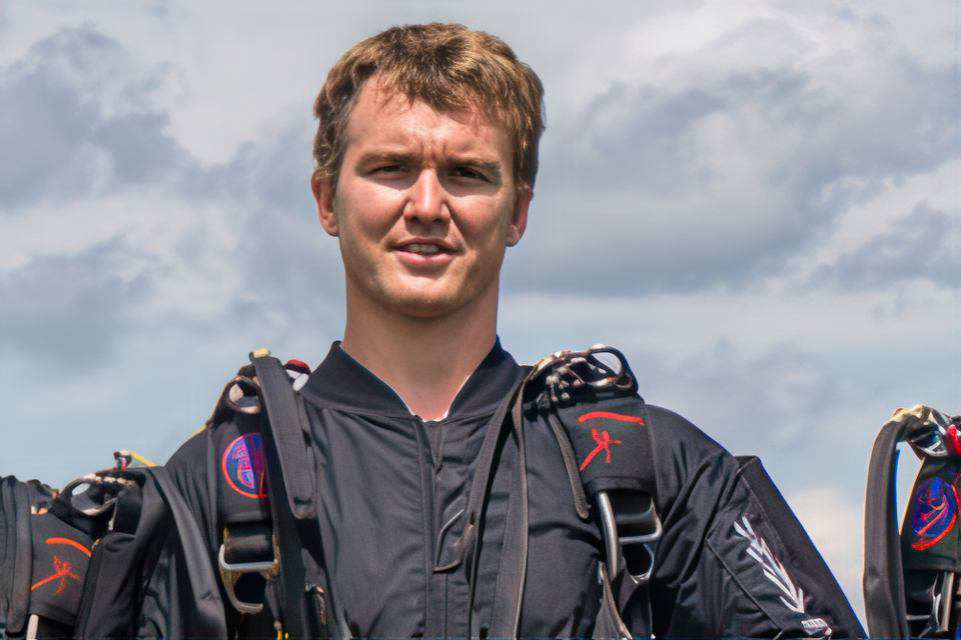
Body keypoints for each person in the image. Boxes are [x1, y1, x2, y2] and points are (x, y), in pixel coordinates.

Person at [155, 23, 865, 638]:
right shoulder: (227, 480)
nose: (427, 205)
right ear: (326, 200)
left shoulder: (644, 466)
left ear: (517, 211)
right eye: (390, 168)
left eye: (466, 173)